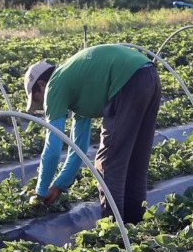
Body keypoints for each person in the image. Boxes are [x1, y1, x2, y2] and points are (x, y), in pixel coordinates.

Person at [24, 43, 161, 223]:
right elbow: (78, 148)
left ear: (41, 85)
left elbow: (53, 149)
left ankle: (115, 232)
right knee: (136, 161)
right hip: (149, 74)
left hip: (127, 80)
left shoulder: (54, 86)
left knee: (108, 164)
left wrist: (40, 192)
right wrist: (59, 185)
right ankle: (134, 227)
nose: (42, 106)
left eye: (37, 100)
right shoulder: (75, 83)